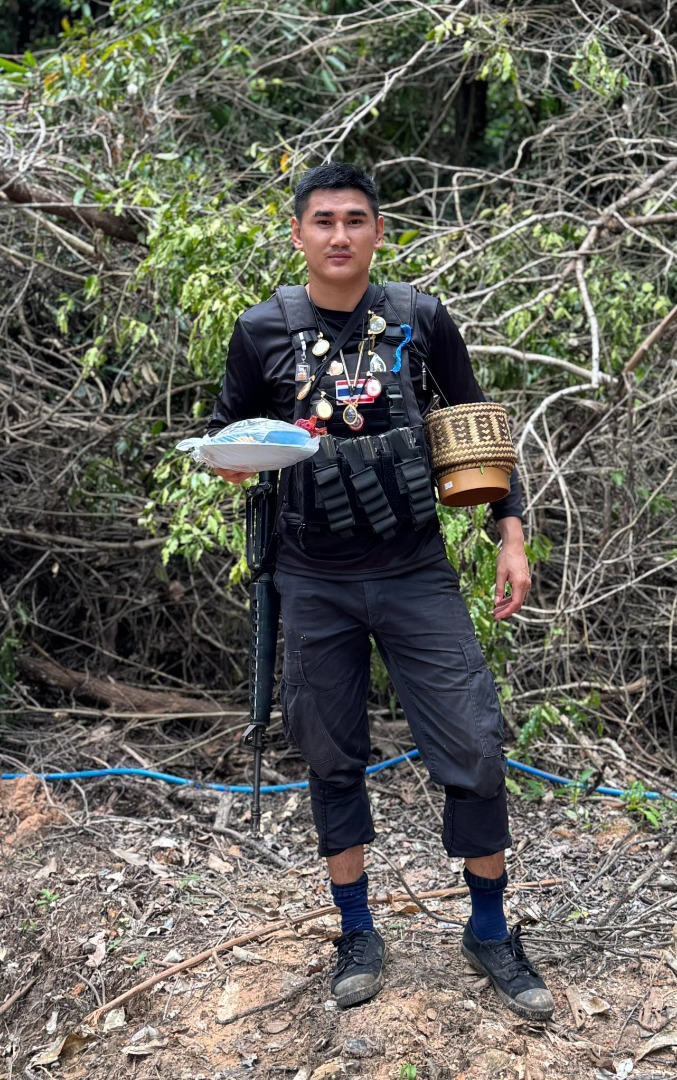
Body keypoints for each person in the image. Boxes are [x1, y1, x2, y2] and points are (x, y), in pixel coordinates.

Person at [209, 163, 554, 1020]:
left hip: (414, 572)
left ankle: (488, 930)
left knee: (473, 745)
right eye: (323, 220)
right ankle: (357, 932)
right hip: (311, 577)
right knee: (330, 756)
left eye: (355, 219)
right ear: (298, 233)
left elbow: (476, 425)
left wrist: (510, 533)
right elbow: (226, 438)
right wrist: (241, 457)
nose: (339, 235)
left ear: (378, 231)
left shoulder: (418, 318)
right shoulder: (261, 330)